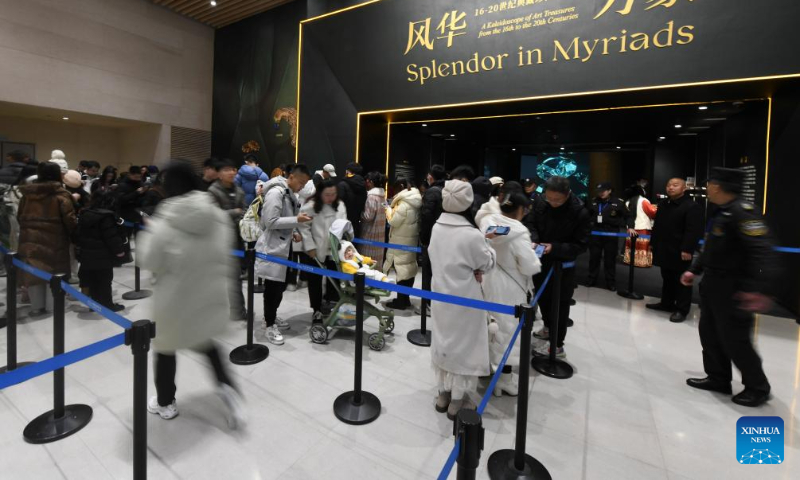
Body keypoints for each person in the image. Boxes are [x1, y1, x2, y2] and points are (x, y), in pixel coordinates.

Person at [138, 162, 245, 428]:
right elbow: (225, 251)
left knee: (166, 349)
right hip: (209, 294)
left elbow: (149, 259)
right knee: (208, 345)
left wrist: (149, 231)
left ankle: (165, 402)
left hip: (174, 299)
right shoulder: (217, 215)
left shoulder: (164, 220)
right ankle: (229, 393)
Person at [681, 168, 778, 407]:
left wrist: (757, 289)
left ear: (718, 186)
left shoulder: (743, 213)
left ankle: (757, 387)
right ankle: (718, 378)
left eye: (710, 184)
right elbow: (711, 249)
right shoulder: (722, 211)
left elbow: (762, 252)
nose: (707, 188)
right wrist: (694, 269)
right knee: (710, 334)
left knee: (735, 339)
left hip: (734, 288)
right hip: (713, 284)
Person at [429, 180, 496, 420]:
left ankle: (443, 395)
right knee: (463, 346)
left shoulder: (437, 228)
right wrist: (487, 246)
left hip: (439, 295)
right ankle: (457, 401)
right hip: (466, 298)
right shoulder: (471, 234)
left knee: (443, 342)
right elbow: (486, 263)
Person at [482, 192, 541, 397]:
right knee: (508, 331)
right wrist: (535, 255)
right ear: (521, 210)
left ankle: (488, 368)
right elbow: (529, 266)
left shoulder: (487, 222)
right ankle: (504, 380)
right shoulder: (519, 232)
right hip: (510, 288)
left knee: (490, 326)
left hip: (488, 281)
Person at [529, 176, 590, 358]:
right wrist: (534, 240)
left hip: (562, 265)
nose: (553, 203)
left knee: (560, 304)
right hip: (540, 259)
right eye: (549, 198)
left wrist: (554, 248)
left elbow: (581, 245)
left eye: (558, 200)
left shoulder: (580, 211)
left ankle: (557, 346)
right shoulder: (541, 201)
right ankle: (548, 328)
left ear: (567, 194)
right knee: (543, 298)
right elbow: (531, 223)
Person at [255, 163, 313, 345]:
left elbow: (283, 219)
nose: (302, 187)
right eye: (301, 183)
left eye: (305, 184)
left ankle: (271, 317)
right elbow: (270, 221)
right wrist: (296, 220)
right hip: (273, 248)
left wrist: (294, 230)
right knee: (273, 288)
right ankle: (269, 323)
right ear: (292, 177)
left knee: (280, 286)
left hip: (284, 247)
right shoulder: (276, 193)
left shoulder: (289, 194)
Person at [17, 162, 77, 316]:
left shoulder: (27, 195)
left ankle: (36, 307)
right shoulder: (61, 195)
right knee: (55, 273)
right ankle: (53, 306)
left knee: (34, 272)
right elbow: (69, 220)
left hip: (30, 239)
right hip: (55, 240)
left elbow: (20, 217)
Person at [648, 177, 703, 323]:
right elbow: (657, 226)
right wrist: (653, 243)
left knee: (682, 280)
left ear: (684, 188)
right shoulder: (664, 204)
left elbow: (693, 231)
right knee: (667, 277)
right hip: (664, 248)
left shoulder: (691, 206)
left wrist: (687, 249)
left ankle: (682, 309)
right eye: (668, 185)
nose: (670, 187)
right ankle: (666, 303)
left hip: (680, 250)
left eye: (675, 185)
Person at [297, 179, 346, 322]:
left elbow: (344, 225)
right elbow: (303, 227)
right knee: (315, 281)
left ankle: (331, 305)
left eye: (333, 194)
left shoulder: (340, 205)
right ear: (320, 193)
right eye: (327, 194)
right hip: (315, 250)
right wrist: (310, 247)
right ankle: (316, 309)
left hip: (334, 250)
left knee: (334, 280)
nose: (331, 198)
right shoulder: (310, 206)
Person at [75, 191, 127, 312]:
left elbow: (77, 233)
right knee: (105, 280)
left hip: (87, 253)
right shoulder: (106, 216)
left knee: (93, 280)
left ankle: (95, 304)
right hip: (103, 254)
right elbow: (111, 237)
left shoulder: (85, 213)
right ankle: (107, 305)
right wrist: (119, 251)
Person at [208, 159, 247, 320]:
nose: (231, 172)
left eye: (233, 169)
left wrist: (239, 214)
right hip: (219, 240)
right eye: (226, 170)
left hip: (236, 239)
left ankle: (238, 311)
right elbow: (212, 215)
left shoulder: (239, 190)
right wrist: (235, 212)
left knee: (235, 278)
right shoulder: (213, 191)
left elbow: (244, 210)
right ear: (218, 174)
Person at [587, 182, 635, 291]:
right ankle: (591, 279)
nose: (601, 193)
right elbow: (587, 215)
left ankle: (610, 281)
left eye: (603, 191)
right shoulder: (594, 201)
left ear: (609, 191)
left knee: (610, 259)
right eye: (599, 191)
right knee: (594, 257)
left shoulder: (618, 202)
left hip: (611, 233)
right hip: (596, 232)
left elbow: (629, 216)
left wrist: (631, 227)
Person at [383, 178, 422, 310]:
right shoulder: (415, 201)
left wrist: (388, 210)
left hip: (400, 241)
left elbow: (393, 221)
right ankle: (405, 299)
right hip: (410, 240)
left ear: (400, 186)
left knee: (401, 270)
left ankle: (400, 302)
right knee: (409, 269)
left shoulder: (404, 204)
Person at [418, 164, 447, 316]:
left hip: (431, 237)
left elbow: (426, 217)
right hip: (444, 236)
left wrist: (423, 237)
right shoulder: (446, 190)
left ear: (431, 176)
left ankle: (428, 304)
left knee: (428, 272)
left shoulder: (432, 192)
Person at [624, 185, 657, 267]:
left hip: (631, 228)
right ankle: (642, 262)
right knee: (642, 247)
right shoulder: (644, 200)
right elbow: (652, 212)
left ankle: (630, 260)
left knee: (632, 246)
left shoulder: (627, 202)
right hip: (643, 227)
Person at [360, 171, 387, 265]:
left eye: (367, 181)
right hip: (380, 233)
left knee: (368, 261)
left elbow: (368, 216)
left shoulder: (371, 196)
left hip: (370, 234)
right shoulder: (383, 196)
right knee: (377, 261)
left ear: (370, 181)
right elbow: (386, 210)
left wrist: (360, 213)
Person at [337, 162, 367, 237]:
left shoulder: (342, 184)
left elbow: (338, 205)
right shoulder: (363, 185)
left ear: (347, 171)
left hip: (343, 222)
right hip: (357, 222)